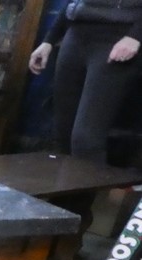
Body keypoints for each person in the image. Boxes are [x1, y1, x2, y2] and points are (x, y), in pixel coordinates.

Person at [28, 0, 142, 165]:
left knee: (86, 139)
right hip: (76, 35)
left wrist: (135, 36)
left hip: (119, 37)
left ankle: (88, 189)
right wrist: (49, 40)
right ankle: (69, 190)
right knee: (63, 133)